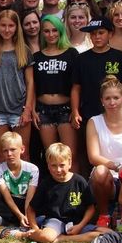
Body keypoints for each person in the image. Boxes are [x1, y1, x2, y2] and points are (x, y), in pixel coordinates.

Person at [71, 17, 122, 173]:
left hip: (115, 112)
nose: (97, 37)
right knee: (86, 153)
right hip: (89, 113)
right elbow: (76, 88)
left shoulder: (120, 57)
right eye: (93, 34)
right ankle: (89, 184)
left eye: (101, 33)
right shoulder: (81, 59)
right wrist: (75, 111)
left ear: (110, 34)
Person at [87, 76, 122, 228]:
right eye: (107, 98)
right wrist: (117, 167)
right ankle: (104, 214)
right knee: (100, 171)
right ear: (102, 101)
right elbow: (93, 157)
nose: (112, 102)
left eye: (116, 98)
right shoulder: (94, 122)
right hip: (108, 177)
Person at [20, 143, 107, 243]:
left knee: (107, 233)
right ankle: (22, 234)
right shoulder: (46, 184)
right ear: (48, 165)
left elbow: (90, 207)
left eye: (62, 165)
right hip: (55, 222)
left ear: (69, 163)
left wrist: (80, 225)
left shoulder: (79, 181)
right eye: (53, 165)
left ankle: (62, 238)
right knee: (46, 237)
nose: (58, 170)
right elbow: (31, 209)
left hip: (76, 223)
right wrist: (36, 229)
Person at [0, 9, 36, 159]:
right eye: (3, 25)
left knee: (22, 154)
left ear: (17, 27)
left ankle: (26, 178)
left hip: (19, 110)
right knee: (2, 155)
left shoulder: (24, 51)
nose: (7, 30)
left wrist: (27, 109)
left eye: (11, 26)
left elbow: (30, 82)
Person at [33, 15, 79, 170]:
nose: (51, 34)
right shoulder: (36, 57)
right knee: (51, 156)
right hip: (43, 110)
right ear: (42, 33)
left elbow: (76, 85)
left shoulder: (71, 54)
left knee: (70, 156)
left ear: (60, 31)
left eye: (54, 30)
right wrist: (32, 110)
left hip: (65, 110)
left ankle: (75, 185)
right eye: (46, 31)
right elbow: (32, 86)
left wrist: (75, 110)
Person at [0, 131, 39, 229]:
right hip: (9, 201)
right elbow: (7, 197)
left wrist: (27, 214)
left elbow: (30, 196)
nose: (9, 154)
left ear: (22, 149)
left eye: (13, 150)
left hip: (26, 201)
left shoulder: (32, 169)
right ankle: (17, 220)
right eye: (5, 151)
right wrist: (20, 216)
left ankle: (7, 219)